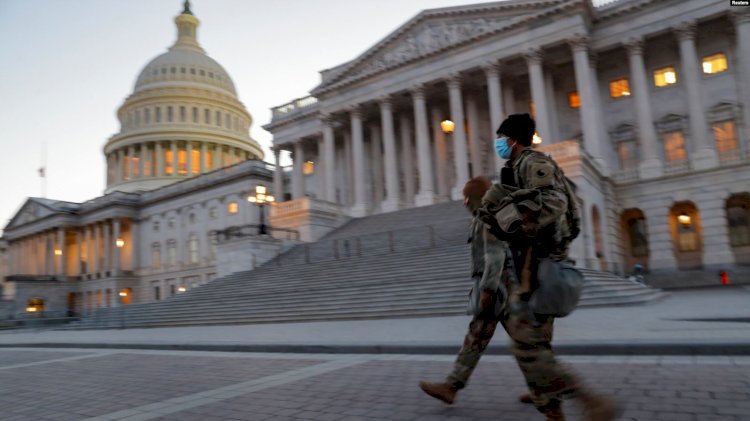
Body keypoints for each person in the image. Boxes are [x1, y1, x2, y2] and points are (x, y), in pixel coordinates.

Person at [419, 114, 618, 421]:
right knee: (527, 344)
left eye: (501, 139)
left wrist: (514, 224)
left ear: (511, 139)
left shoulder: (530, 163)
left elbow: (554, 206)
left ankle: (586, 401)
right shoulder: (519, 169)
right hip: (532, 267)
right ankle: (547, 400)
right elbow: (568, 217)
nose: (498, 144)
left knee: (529, 347)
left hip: (531, 271)